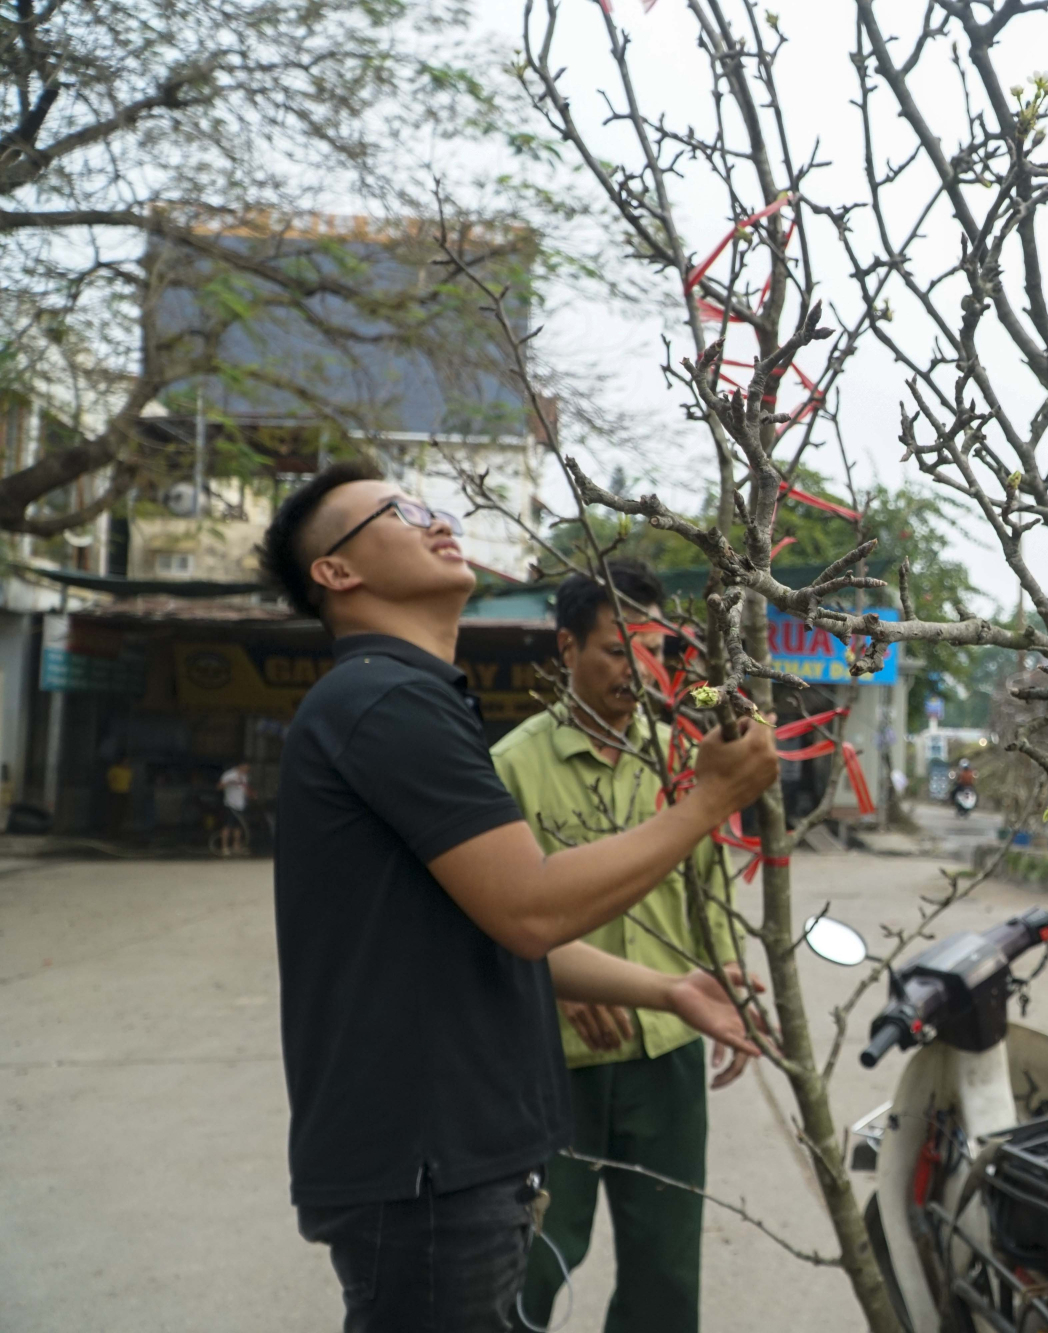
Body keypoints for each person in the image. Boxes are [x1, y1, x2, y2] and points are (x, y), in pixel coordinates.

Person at [258, 462, 779, 1333]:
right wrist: (712, 801)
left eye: (428, 503)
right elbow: (530, 907)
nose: (434, 519)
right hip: (430, 1163)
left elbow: (493, 929)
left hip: (456, 1156)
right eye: (397, 511)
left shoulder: (410, 699)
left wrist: (668, 987)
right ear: (337, 573)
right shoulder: (385, 700)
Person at [495, 563, 735, 1333]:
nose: (639, 671)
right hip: (550, 1059)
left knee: (667, 1267)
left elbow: (710, 891)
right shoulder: (511, 767)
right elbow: (488, 914)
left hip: (664, 1051)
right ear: (566, 647)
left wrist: (728, 982)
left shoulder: (685, 766)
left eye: (656, 650)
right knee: (531, 1258)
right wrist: (553, 981)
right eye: (615, 650)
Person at [217, 760, 251, 855]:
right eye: (246, 768)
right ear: (240, 766)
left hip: (240, 805)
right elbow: (219, 787)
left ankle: (236, 846)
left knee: (238, 828)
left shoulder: (244, 776)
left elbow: (245, 789)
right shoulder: (229, 775)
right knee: (227, 826)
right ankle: (224, 847)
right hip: (230, 805)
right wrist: (229, 782)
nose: (247, 770)